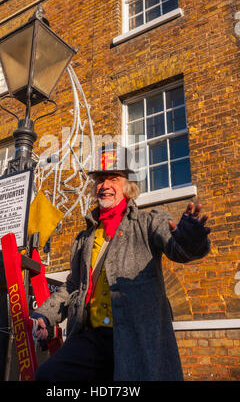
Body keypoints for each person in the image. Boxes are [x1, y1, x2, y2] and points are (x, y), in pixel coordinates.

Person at [32, 144, 211, 381]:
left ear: (127, 187)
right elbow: (73, 286)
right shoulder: (83, 238)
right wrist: (44, 315)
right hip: (92, 338)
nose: (105, 186)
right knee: (48, 376)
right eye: (100, 180)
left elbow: (178, 248)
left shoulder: (149, 222)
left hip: (137, 339)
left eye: (113, 179)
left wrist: (191, 238)